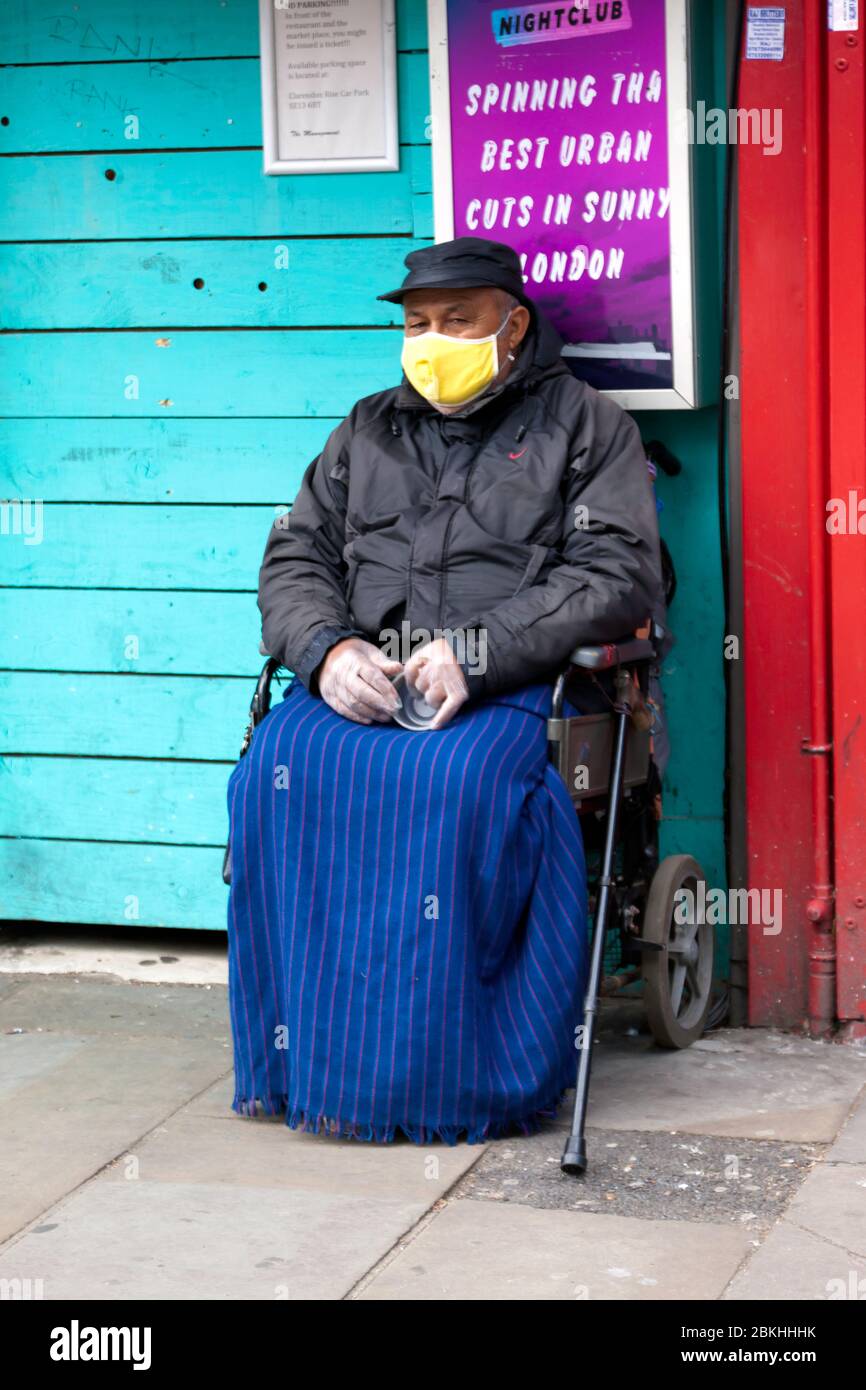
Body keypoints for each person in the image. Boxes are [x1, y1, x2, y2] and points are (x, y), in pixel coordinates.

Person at [226, 236, 663, 1144]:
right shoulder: (365, 428)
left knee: (453, 787)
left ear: (513, 324)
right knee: (276, 768)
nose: (432, 339)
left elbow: (619, 573)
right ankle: (307, 1058)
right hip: (372, 672)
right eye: (418, 322)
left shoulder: (587, 426)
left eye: (457, 321)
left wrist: (478, 649)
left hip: (513, 683)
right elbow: (296, 554)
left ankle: (454, 1075)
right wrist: (326, 649)